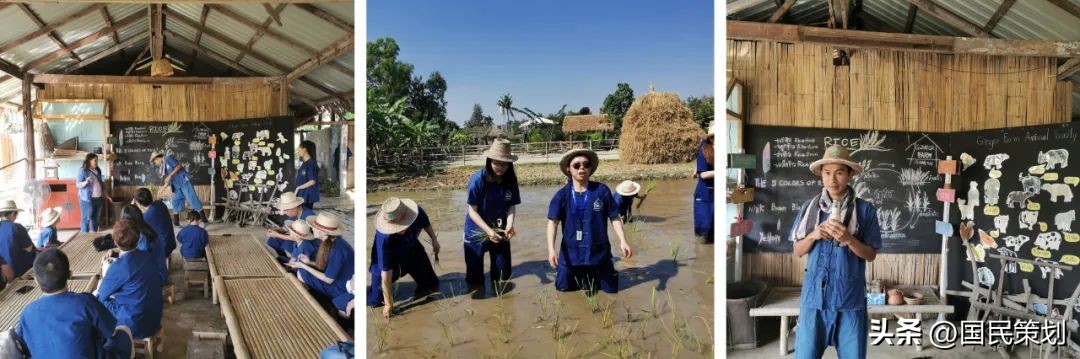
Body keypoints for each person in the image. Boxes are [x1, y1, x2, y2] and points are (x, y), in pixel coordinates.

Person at [791, 145, 881, 359]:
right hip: (814, 300)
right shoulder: (809, 208)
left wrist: (848, 239)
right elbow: (797, 250)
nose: (832, 180)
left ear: (849, 175)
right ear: (821, 174)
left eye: (839, 172)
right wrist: (814, 234)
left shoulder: (865, 210)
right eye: (827, 172)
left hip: (849, 300)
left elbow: (870, 255)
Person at [16, 249, 134, 359]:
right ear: (70, 274)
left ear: (36, 280)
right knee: (123, 331)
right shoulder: (85, 302)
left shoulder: (27, 313)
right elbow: (111, 331)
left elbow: (24, 348)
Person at [546, 149, 633, 295]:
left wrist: (623, 241)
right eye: (577, 165)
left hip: (598, 251)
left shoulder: (602, 190)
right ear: (569, 169)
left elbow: (614, 217)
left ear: (590, 168)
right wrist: (551, 250)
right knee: (563, 288)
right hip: (571, 252)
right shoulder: (561, 195)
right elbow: (552, 223)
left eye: (586, 164)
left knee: (611, 289)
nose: (582, 168)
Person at [364, 198, 439, 318]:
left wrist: (434, 240)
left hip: (413, 251)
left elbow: (426, 224)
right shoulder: (385, 238)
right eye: (397, 227)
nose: (400, 229)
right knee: (375, 302)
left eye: (402, 226)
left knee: (431, 284)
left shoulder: (417, 212)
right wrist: (388, 304)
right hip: (389, 263)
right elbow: (386, 274)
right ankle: (368, 289)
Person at [463, 139, 520, 294]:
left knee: (503, 276)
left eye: (504, 164)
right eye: (497, 163)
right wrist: (488, 231)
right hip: (477, 230)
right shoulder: (477, 180)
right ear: (489, 161)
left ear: (509, 164)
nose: (500, 167)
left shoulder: (510, 180)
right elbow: (472, 211)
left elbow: (511, 205)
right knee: (475, 280)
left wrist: (509, 225)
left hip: (500, 230)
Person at [96, 220, 164, 341]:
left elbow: (102, 295)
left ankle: (108, 341)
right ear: (138, 238)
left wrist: (105, 271)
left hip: (134, 325)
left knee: (97, 301)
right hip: (154, 319)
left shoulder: (119, 266)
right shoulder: (146, 255)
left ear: (115, 242)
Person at [149, 151, 202, 226]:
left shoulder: (167, 158)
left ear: (157, 158)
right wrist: (161, 190)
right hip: (176, 186)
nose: (155, 164)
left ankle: (203, 220)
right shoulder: (162, 167)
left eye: (154, 162)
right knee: (175, 202)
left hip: (183, 181)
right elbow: (167, 181)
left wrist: (170, 175)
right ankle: (176, 223)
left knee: (192, 199)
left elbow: (179, 166)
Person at [121, 205, 167, 285]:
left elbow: (139, 262)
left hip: (156, 278)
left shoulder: (141, 236)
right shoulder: (146, 228)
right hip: (159, 272)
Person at [266, 192, 317, 261]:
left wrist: (278, 235)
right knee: (272, 240)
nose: (284, 212)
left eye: (286, 210)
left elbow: (301, 238)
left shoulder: (308, 216)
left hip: (309, 243)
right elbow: (288, 228)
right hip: (297, 238)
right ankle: (286, 258)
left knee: (287, 245)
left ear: (295, 207)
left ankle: (292, 261)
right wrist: (280, 229)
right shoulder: (294, 214)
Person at [134, 188, 176, 264]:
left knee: (141, 242)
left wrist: (137, 206)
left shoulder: (146, 217)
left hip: (164, 248)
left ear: (138, 203)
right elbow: (148, 211)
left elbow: (144, 217)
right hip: (171, 242)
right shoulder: (160, 203)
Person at [0, 199, 36, 282]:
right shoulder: (17, 227)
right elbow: (29, 248)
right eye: (16, 214)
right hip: (19, 272)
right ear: (13, 213)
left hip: (3, 275)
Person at [694, 124, 716, 244]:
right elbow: (702, 174)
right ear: (711, 138)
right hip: (705, 192)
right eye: (714, 137)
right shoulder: (704, 151)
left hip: (716, 191)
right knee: (705, 226)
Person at [76, 153, 106, 232]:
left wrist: (105, 192)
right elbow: (78, 184)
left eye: (97, 161)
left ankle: (93, 236)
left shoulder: (98, 170)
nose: (96, 162)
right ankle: (84, 237)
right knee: (86, 218)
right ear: (89, 161)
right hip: (87, 199)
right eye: (95, 161)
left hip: (98, 198)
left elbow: (100, 183)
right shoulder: (83, 171)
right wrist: (86, 182)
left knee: (95, 219)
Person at [293, 140, 320, 210]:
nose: (298, 150)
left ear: (304, 149)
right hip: (303, 195)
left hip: (307, 196)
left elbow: (312, 181)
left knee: (305, 216)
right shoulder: (305, 163)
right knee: (302, 217)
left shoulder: (311, 163)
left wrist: (298, 188)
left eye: (299, 148)